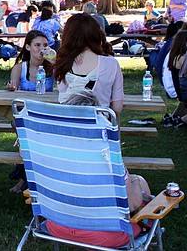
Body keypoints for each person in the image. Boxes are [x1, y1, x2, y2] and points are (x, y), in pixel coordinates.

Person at [43, 89, 154, 249]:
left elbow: (23, 151)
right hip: (104, 236)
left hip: (57, 226)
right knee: (139, 184)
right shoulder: (107, 156)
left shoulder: (48, 151)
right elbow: (133, 204)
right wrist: (135, 181)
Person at [54, 13, 124, 117]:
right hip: (98, 128)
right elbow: (117, 108)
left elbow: (63, 98)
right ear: (96, 35)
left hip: (67, 126)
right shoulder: (111, 64)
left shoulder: (63, 63)